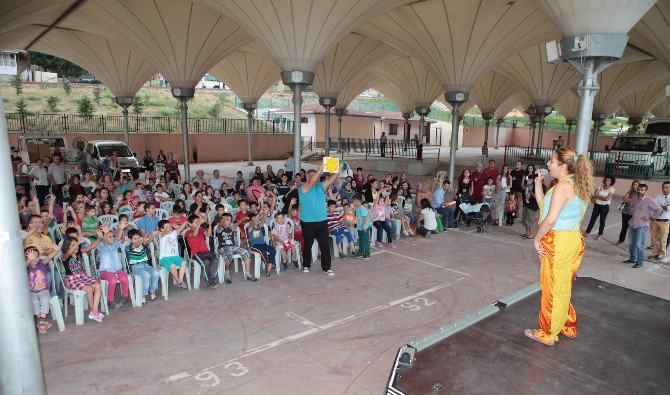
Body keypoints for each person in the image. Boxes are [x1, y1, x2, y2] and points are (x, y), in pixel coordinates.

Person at [525, 147, 594, 346]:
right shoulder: (574, 183)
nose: (548, 164)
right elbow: (544, 206)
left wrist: (536, 239)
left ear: (562, 166)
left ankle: (547, 332)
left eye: (552, 162)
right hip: (572, 240)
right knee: (562, 286)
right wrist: (539, 183)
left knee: (552, 288)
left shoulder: (563, 186)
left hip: (558, 242)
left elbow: (550, 220)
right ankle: (567, 324)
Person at [298, 162, 339, 276]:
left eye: (315, 177)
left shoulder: (320, 186)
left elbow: (330, 180)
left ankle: (327, 268)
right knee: (308, 245)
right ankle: (306, 264)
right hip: (308, 223)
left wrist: (337, 170)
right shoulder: (303, 188)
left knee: (325, 245)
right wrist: (320, 169)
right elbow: (311, 181)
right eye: (312, 177)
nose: (315, 179)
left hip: (322, 221)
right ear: (307, 177)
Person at [61, 235, 105, 322]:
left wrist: (99, 238)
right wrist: (78, 242)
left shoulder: (79, 252)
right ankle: (94, 312)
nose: (76, 246)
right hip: (72, 279)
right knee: (89, 289)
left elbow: (91, 246)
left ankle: (94, 311)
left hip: (82, 276)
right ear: (67, 247)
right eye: (72, 245)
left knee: (97, 285)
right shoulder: (64, 256)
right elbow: (69, 253)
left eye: (76, 245)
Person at [625, 184, 662, 268]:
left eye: (642, 190)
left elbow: (659, 209)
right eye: (638, 189)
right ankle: (632, 258)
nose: (639, 191)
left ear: (645, 191)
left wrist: (650, 217)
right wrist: (633, 212)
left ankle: (640, 262)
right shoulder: (634, 199)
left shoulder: (649, 200)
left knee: (639, 244)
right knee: (631, 243)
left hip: (642, 225)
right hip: (632, 223)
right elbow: (631, 206)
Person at [25, 245, 58, 333]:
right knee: (34, 301)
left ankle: (42, 321)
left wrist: (56, 250)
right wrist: (29, 260)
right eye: (32, 257)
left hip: (44, 289)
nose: (35, 259)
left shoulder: (41, 263)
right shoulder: (26, 267)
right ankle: (42, 322)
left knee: (45, 298)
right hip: (31, 291)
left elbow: (50, 256)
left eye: (36, 256)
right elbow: (24, 266)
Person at [214, 213, 255, 282]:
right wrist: (222, 219)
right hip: (223, 247)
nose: (229, 222)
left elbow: (237, 223)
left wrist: (242, 219)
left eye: (230, 220)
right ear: (223, 221)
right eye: (227, 220)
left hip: (233, 246)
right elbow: (220, 225)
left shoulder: (231, 227)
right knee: (229, 255)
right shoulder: (219, 228)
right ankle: (226, 273)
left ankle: (247, 273)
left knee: (246, 253)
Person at [98, 225, 131, 309]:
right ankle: (110, 300)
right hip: (106, 271)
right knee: (112, 280)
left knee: (124, 278)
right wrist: (105, 234)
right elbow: (104, 241)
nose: (112, 238)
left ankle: (125, 296)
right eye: (109, 237)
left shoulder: (115, 245)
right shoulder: (102, 246)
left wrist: (121, 228)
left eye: (113, 236)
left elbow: (119, 237)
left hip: (117, 269)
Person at [126, 228, 160, 303]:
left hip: (145, 265)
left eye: (138, 238)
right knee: (146, 275)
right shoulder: (129, 246)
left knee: (156, 273)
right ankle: (143, 294)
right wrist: (143, 238)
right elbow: (137, 244)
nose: (137, 240)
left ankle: (152, 290)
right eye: (135, 238)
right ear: (130, 239)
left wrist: (152, 236)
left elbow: (148, 242)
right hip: (136, 267)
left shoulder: (142, 245)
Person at [184, 215, 219, 288]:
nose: (198, 223)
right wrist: (200, 223)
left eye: (198, 222)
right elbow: (194, 234)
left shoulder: (201, 229)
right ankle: (209, 282)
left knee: (215, 259)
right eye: (196, 222)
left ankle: (212, 278)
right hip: (196, 253)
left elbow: (209, 235)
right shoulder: (188, 232)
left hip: (205, 251)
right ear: (190, 224)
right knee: (206, 262)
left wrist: (210, 225)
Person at [157, 219, 189, 288]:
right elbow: (164, 231)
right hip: (164, 258)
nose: (170, 227)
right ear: (162, 229)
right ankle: (179, 281)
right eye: (167, 226)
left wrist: (185, 222)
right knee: (172, 265)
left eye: (170, 226)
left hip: (175, 256)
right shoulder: (161, 235)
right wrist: (170, 225)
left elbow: (181, 228)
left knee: (183, 262)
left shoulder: (174, 233)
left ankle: (180, 281)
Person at [247, 213, 276, 277]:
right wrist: (259, 213)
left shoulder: (259, 226)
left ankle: (270, 265)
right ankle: (267, 264)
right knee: (263, 251)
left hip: (263, 244)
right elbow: (253, 222)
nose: (257, 220)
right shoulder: (250, 227)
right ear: (250, 222)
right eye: (254, 219)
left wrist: (265, 213)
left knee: (273, 249)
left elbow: (263, 220)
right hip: (254, 246)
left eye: (257, 219)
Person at [649, 181, 670, 260]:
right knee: (653, 238)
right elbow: (653, 205)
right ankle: (654, 252)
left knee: (662, 239)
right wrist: (663, 207)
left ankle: (661, 253)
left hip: (665, 221)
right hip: (655, 219)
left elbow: (668, 209)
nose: (664, 189)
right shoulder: (658, 196)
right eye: (663, 187)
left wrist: (660, 206)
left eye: (667, 187)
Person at [616, 180, 639, 246]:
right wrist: (632, 200)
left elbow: (637, 201)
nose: (635, 186)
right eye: (634, 184)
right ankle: (621, 240)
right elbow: (624, 198)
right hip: (625, 212)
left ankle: (632, 243)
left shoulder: (639, 194)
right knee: (624, 227)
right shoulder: (630, 192)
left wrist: (630, 200)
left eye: (636, 185)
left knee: (633, 228)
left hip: (633, 213)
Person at [353, 194, 370, 259]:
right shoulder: (358, 208)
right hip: (359, 228)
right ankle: (361, 253)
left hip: (364, 228)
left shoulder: (362, 208)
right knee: (361, 240)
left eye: (353, 201)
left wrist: (363, 226)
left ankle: (368, 254)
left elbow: (365, 217)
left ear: (357, 201)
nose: (353, 202)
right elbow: (358, 217)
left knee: (365, 241)